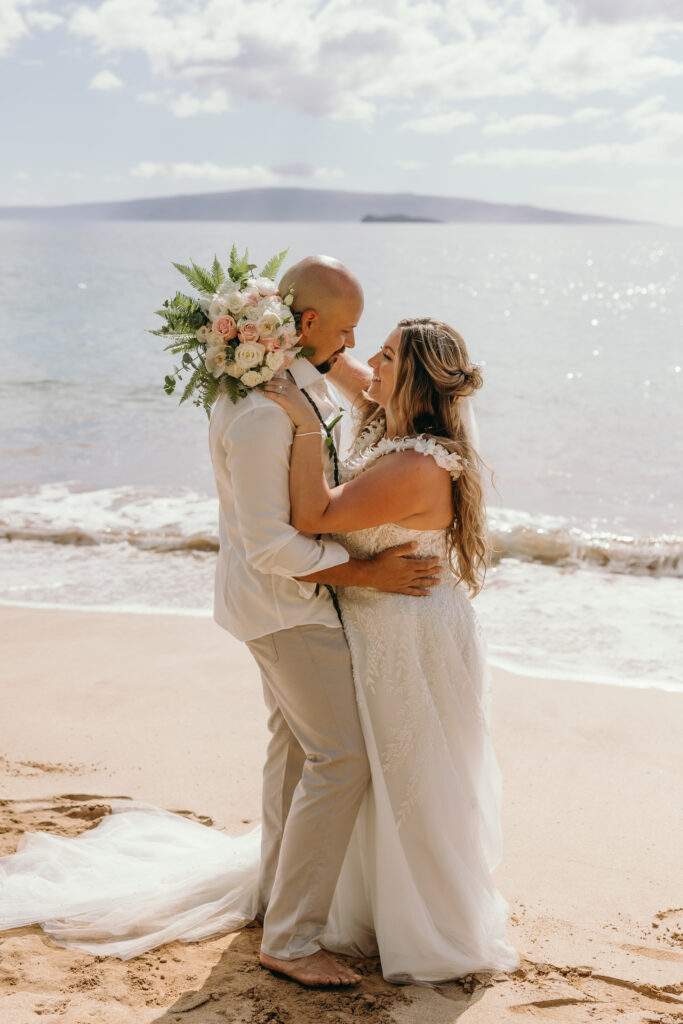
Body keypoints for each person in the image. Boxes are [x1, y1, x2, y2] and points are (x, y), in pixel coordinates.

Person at [0, 258, 446, 989]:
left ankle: (277, 898)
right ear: (305, 326)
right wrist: (367, 572)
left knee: (297, 753)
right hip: (286, 610)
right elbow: (274, 545)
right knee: (343, 761)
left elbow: (354, 406)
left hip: (266, 605)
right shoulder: (270, 412)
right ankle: (293, 939)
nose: (355, 343)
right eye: (344, 329)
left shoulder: (277, 392)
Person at [263, 317, 519, 981]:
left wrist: (301, 426)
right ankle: (349, 902)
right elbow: (327, 359)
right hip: (380, 618)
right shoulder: (385, 421)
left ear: (411, 376)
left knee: (408, 774)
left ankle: (414, 916)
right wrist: (261, 329)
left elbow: (314, 516)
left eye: (383, 354)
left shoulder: (415, 464)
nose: (365, 361)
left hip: (407, 632)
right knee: (368, 766)